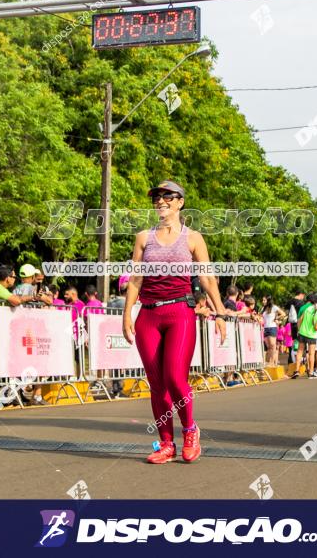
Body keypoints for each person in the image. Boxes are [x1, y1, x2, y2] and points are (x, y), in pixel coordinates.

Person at [122, 180, 227, 464]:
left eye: (167, 196)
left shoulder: (193, 238)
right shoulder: (144, 238)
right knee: (156, 383)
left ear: (180, 202)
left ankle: (190, 431)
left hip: (180, 312)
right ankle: (166, 444)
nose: (161, 201)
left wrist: (219, 311)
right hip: (149, 315)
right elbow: (135, 279)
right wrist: (127, 314)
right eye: (157, 197)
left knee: (174, 378)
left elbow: (206, 278)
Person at [0, 265, 45, 405]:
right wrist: (32, 297)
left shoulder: (2, 288)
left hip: (4, 331)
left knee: (10, 363)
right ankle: (1, 395)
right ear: (7, 278)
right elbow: (16, 301)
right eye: (13, 277)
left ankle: (14, 393)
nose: (15, 279)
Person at [294, 293, 317, 379]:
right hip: (311, 335)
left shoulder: (307, 309)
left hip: (302, 333)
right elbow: (316, 327)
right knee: (311, 354)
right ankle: (310, 372)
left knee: (299, 352)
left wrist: (299, 330)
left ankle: (296, 371)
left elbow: (299, 320)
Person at [261, 295, 285, 368]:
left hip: (272, 328)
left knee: (272, 345)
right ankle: (270, 362)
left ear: (268, 300)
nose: (263, 302)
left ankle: (272, 362)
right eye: (262, 300)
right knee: (268, 347)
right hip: (265, 328)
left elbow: (283, 314)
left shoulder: (274, 307)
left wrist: (276, 318)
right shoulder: (263, 308)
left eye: (264, 300)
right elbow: (261, 317)